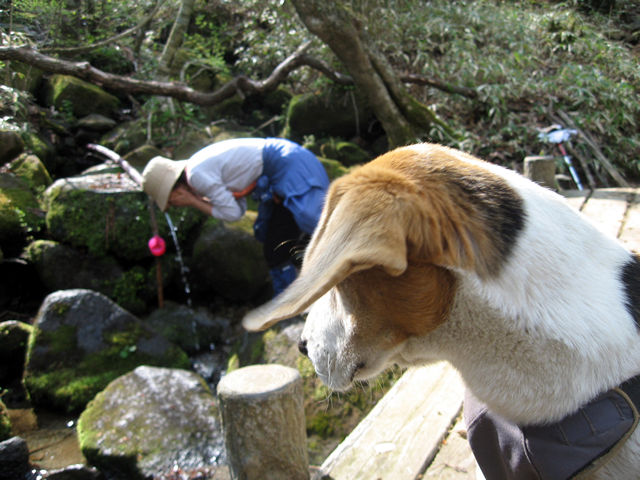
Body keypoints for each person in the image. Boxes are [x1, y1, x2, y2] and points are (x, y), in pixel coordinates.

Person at [141, 137, 330, 296]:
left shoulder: (196, 176)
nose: (175, 204)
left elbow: (233, 214)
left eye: (171, 201)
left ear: (174, 191)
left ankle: (343, 269)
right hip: (275, 178)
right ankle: (291, 302)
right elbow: (238, 207)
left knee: (315, 222)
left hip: (287, 164)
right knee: (272, 243)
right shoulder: (196, 172)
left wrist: (193, 201)